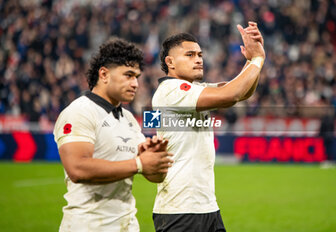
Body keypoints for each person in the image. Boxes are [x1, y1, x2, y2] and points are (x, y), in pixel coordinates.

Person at [151, 22, 265, 231]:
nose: (198, 60)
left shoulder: (194, 90)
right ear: (170, 62)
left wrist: (252, 59)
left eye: (200, 55)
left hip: (206, 207)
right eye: (190, 55)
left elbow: (243, 92)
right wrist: (257, 60)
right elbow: (232, 94)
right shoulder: (171, 91)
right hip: (180, 211)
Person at [53, 37, 173, 232]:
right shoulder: (79, 112)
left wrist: (155, 159)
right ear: (104, 74)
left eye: (137, 77)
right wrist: (139, 163)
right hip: (86, 226)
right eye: (128, 75)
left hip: (127, 225)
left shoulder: (129, 118)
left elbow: (154, 177)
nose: (135, 84)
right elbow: (77, 168)